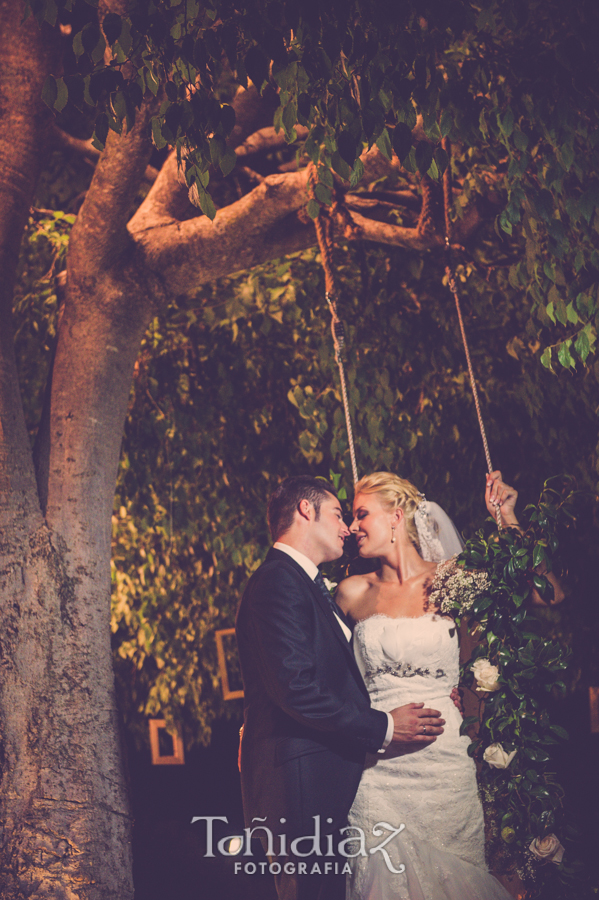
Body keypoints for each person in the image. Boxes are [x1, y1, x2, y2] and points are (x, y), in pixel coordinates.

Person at [336, 470, 561, 900]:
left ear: (397, 516)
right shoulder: (350, 592)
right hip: (378, 772)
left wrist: (507, 519)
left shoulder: (453, 578)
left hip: (445, 768)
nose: (353, 526)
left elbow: (545, 593)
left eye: (362, 514)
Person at [235, 475, 452, 900]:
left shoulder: (305, 585)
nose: (347, 528)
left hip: (328, 782)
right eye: (338, 514)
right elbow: (296, 688)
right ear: (305, 511)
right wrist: (385, 726)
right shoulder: (277, 581)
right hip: (299, 786)